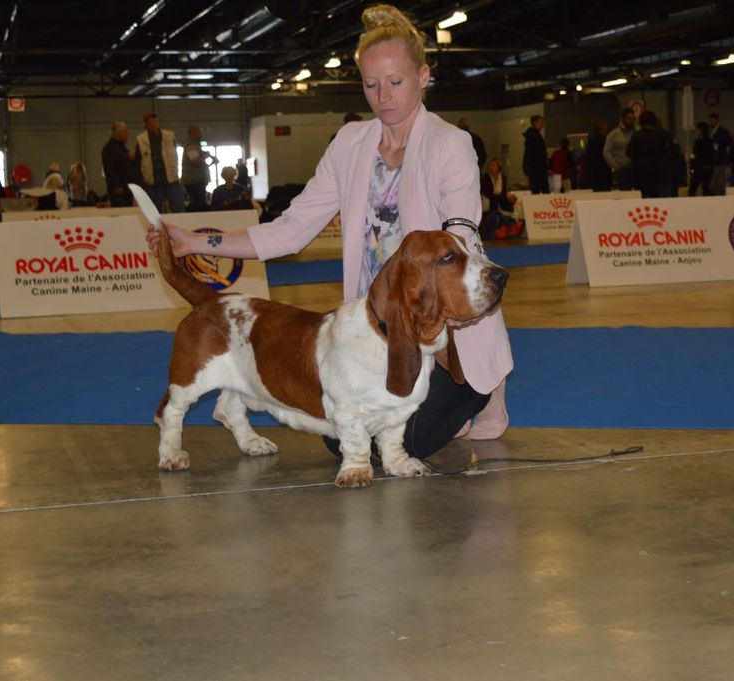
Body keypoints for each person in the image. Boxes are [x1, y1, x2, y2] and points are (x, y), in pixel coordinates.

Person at [147, 3, 512, 458]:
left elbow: (461, 233)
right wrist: (196, 241)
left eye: (395, 82)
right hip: (373, 329)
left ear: (423, 76)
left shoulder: (450, 144)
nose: (383, 97)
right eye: (371, 85)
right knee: (342, 438)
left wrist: (457, 300)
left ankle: (483, 387)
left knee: (407, 441)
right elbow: (290, 230)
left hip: (444, 327)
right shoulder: (349, 144)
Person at [135, 112, 185, 213]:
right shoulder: (141, 140)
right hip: (152, 183)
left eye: (155, 121)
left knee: (178, 209)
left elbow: (176, 155)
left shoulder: (169, 136)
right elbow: (138, 161)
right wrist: (142, 182)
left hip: (172, 180)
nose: (153, 124)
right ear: (146, 125)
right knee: (154, 212)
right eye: (150, 122)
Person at [625, 110, 677, 198]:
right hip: (658, 172)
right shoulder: (662, 135)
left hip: (640, 172)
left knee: (642, 196)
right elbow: (670, 152)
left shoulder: (637, 135)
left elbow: (629, 152)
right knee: (656, 195)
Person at [479, 157, 520, 240]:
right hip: (489, 203)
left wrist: (503, 196)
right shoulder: (485, 178)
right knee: (495, 215)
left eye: (493, 165)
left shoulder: (503, 178)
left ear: (498, 167)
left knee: (498, 214)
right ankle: (491, 236)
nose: (490, 167)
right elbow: (488, 193)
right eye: (489, 165)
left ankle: (493, 234)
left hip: (501, 203)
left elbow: (504, 192)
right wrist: (501, 196)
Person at [101, 121, 139, 207]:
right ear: (118, 133)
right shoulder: (110, 149)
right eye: (125, 132)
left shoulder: (122, 149)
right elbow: (109, 169)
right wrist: (116, 186)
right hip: (119, 191)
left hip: (126, 189)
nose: (127, 134)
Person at [181, 125, 213, 211]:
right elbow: (196, 161)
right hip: (194, 181)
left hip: (196, 180)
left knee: (198, 203)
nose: (201, 134)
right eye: (199, 132)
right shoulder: (191, 145)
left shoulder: (195, 145)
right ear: (193, 133)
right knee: (198, 205)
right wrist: (206, 156)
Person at [604, 107, 636, 190]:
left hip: (636, 169)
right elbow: (606, 151)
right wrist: (615, 165)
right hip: (622, 170)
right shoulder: (613, 134)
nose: (632, 121)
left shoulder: (636, 133)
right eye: (629, 119)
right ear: (623, 119)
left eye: (633, 119)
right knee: (625, 194)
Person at [706, 112, 733, 195]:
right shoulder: (709, 132)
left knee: (720, 183)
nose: (710, 122)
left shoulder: (723, 132)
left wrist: (727, 159)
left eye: (712, 120)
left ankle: (721, 196)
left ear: (717, 120)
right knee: (713, 184)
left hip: (721, 162)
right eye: (709, 120)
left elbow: (728, 147)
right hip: (712, 162)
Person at [522, 114, 549, 194]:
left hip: (536, 168)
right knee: (541, 191)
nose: (542, 125)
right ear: (534, 123)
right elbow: (532, 154)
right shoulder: (533, 136)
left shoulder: (534, 135)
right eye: (541, 123)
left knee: (537, 191)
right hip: (536, 168)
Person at [585, 121, 611, 191]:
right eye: (605, 128)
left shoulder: (590, 141)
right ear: (602, 129)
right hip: (604, 170)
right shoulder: (605, 140)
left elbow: (588, 156)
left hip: (594, 171)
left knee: (596, 191)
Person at [689, 121, 713, 195]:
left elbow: (694, 155)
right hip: (708, 168)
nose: (696, 131)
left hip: (698, 168)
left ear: (701, 130)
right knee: (706, 189)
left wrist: (691, 163)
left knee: (692, 189)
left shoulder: (697, 142)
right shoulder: (710, 141)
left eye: (697, 129)